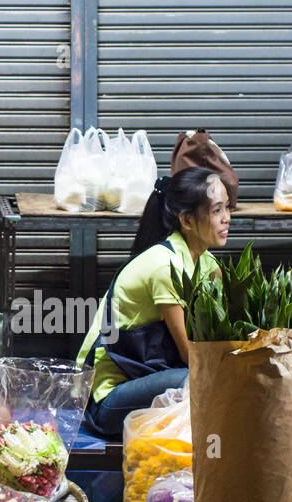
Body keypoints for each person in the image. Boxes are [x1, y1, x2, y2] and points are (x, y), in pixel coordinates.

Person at [75, 167, 230, 438]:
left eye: (228, 208)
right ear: (188, 221)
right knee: (195, 380)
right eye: (217, 211)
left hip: (150, 380)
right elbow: (190, 357)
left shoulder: (207, 265)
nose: (226, 219)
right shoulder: (164, 266)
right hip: (107, 401)